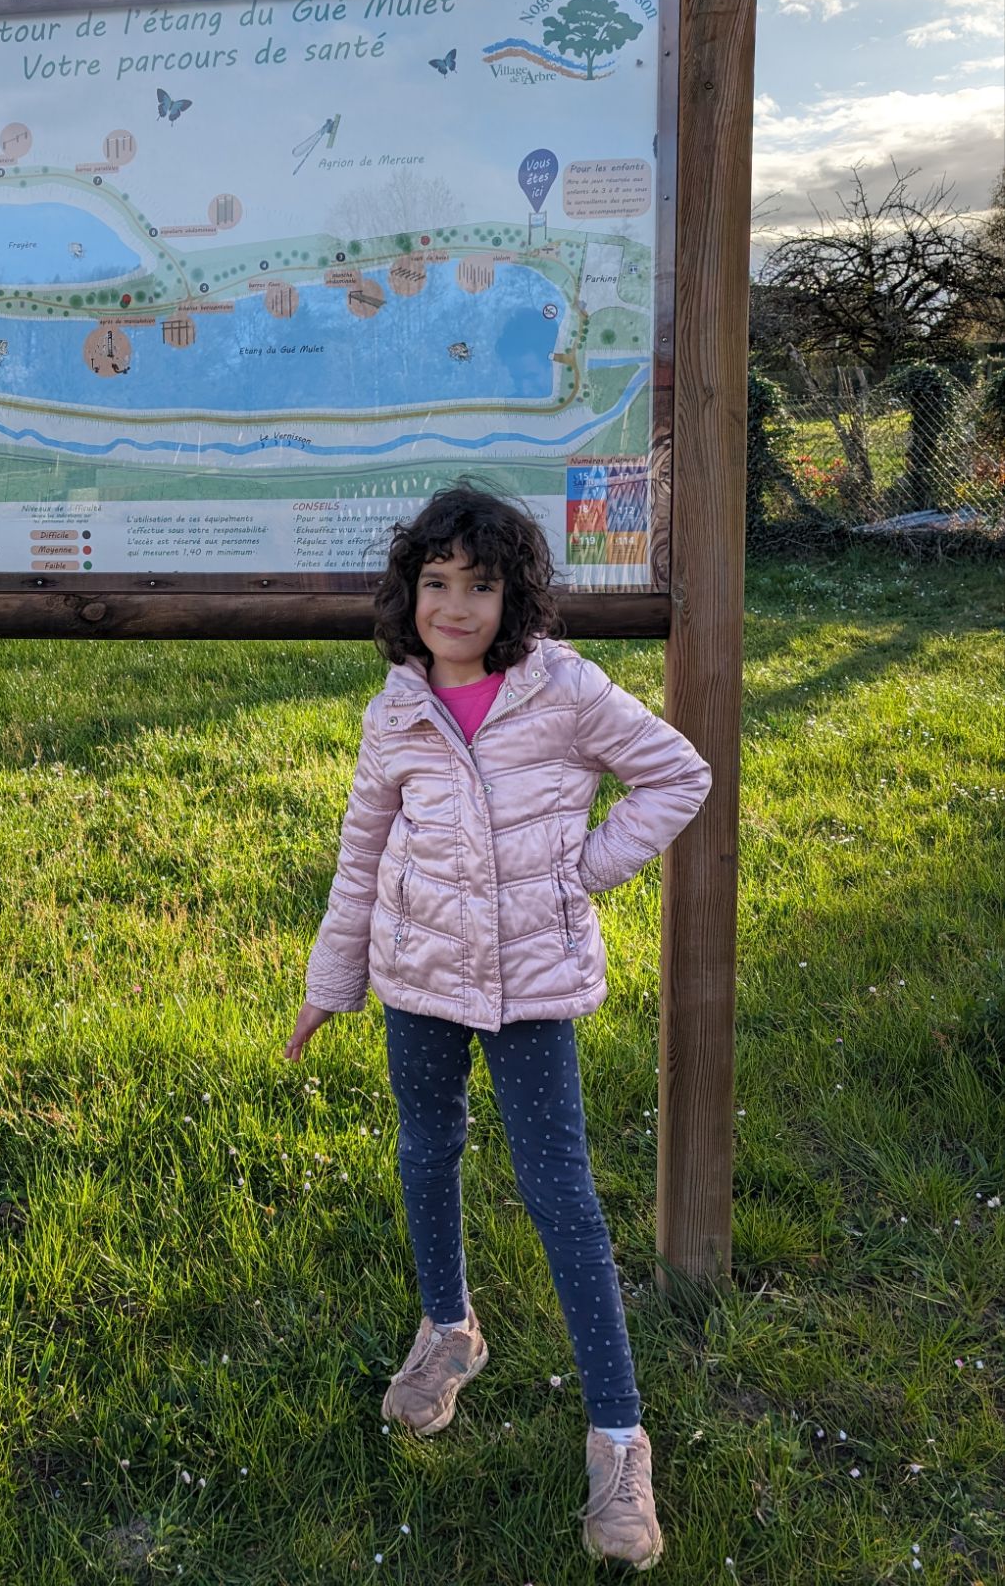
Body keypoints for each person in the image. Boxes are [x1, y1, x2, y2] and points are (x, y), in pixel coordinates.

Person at [283, 484, 711, 1570]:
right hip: (418, 980)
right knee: (425, 1148)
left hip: (532, 989)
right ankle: (448, 1330)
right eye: (437, 582)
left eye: (480, 584)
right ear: (409, 594)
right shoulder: (396, 710)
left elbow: (677, 772)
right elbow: (361, 853)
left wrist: (585, 870)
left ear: (515, 594)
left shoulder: (563, 688)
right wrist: (331, 980)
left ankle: (619, 1437)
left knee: (560, 1192)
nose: (456, 606)